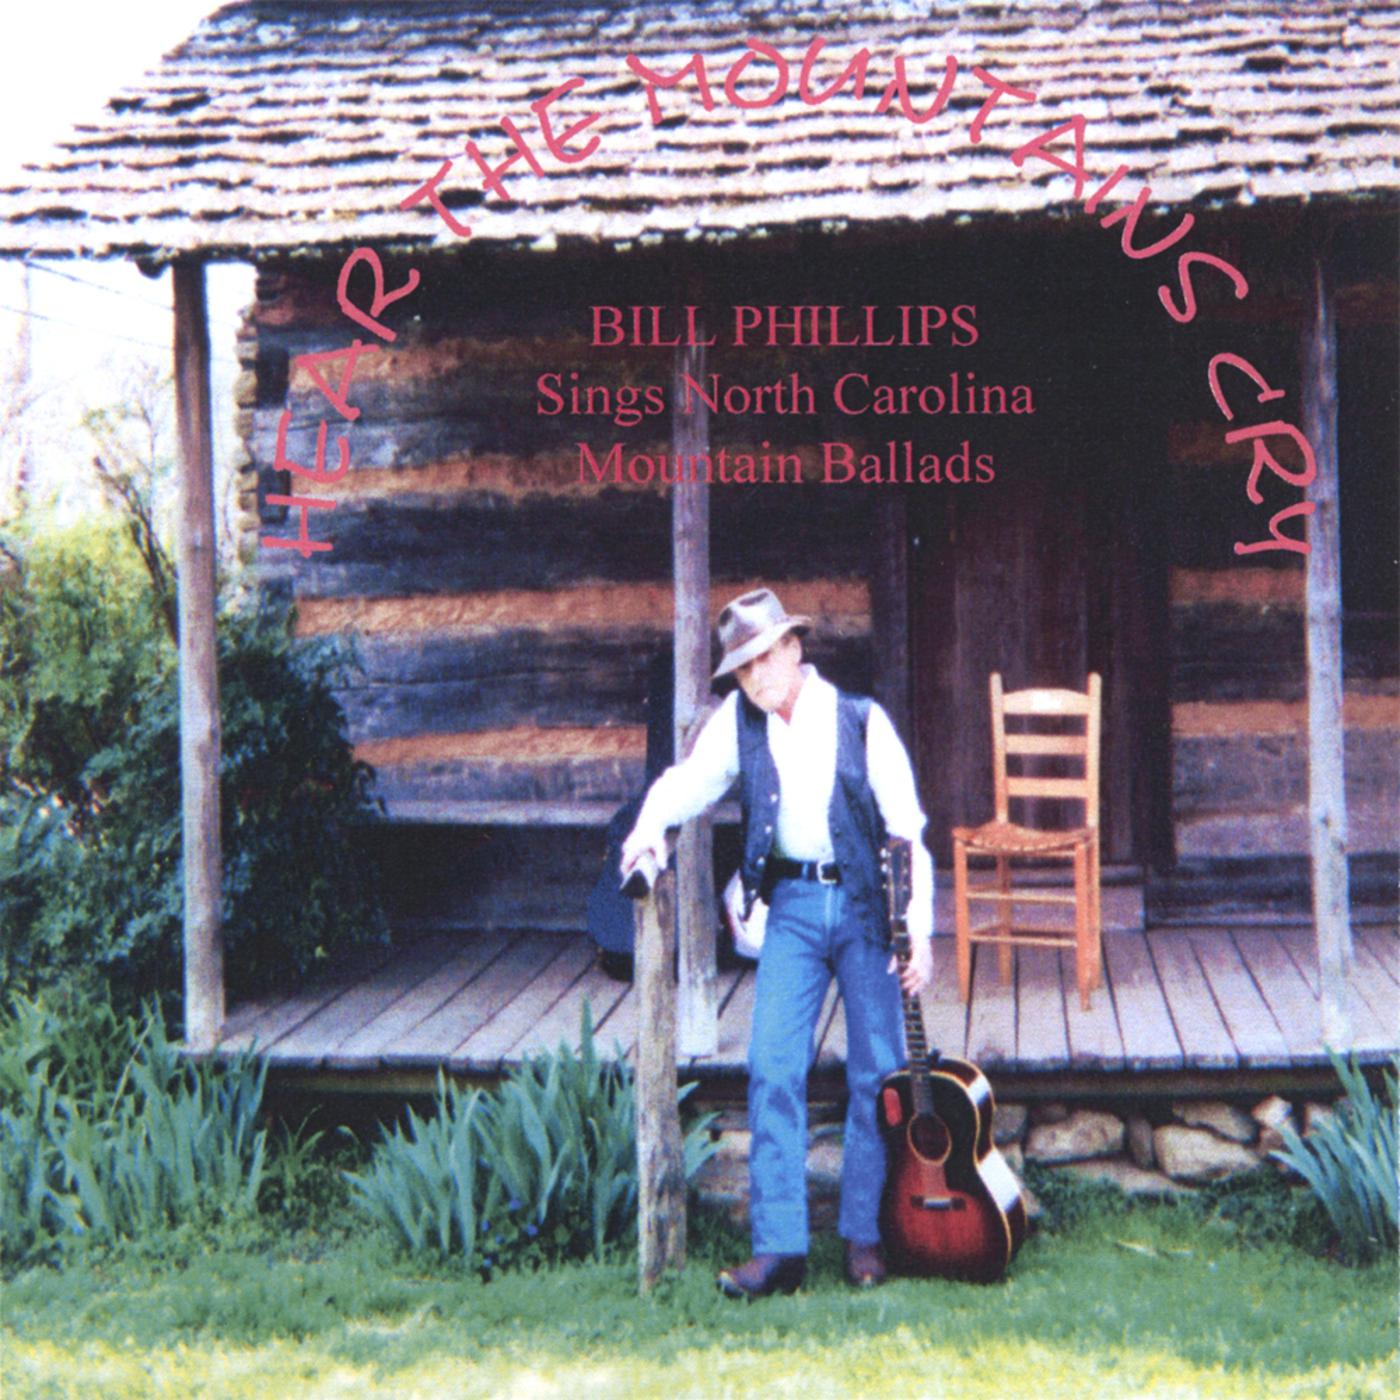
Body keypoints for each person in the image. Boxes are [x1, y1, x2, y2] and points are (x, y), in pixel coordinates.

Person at [620, 587, 934, 1297]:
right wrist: (648, 827)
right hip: (790, 907)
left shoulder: (861, 721)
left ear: (795, 648)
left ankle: (864, 1237)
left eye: (767, 657)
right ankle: (780, 1250)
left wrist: (917, 929)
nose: (759, 677)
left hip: (865, 906)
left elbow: (906, 828)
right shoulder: (740, 722)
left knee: (877, 1073)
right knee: (772, 1067)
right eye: (744, 668)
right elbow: (689, 784)